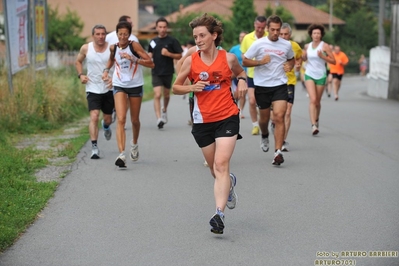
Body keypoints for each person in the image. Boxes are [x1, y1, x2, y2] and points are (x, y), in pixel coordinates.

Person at [172, 13, 247, 234]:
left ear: (214, 35)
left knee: (221, 164)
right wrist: (190, 88)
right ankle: (229, 185)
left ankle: (218, 214)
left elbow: (241, 73)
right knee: (216, 169)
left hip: (227, 116)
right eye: (195, 36)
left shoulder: (228, 59)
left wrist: (242, 81)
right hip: (202, 120)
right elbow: (176, 87)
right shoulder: (191, 61)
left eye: (202, 35)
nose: (198, 40)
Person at [242, 15, 295, 166]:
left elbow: (291, 59)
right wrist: (260, 62)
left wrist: (290, 66)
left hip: (279, 84)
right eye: (272, 30)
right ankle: (264, 134)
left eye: (278, 30)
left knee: (279, 116)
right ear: (267, 29)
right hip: (262, 86)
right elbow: (245, 60)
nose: (276, 33)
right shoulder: (259, 44)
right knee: (264, 120)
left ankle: (277, 152)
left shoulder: (286, 45)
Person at [102, 21, 154, 168]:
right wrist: (106, 70)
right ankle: (121, 154)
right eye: (120, 34)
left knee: (135, 120)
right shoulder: (113, 47)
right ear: (116, 34)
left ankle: (134, 144)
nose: (123, 37)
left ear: (129, 34)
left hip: (135, 85)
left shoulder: (134, 46)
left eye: (125, 34)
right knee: (121, 118)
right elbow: (111, 60)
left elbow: (151, 63)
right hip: (119, 84)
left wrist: (134, 59)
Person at [75, 24, 114, 159]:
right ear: (93, 36)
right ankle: (94, 147)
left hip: (108, 88)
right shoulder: (86, 48)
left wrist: (113, 79)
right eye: (98, 34)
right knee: (94, 116)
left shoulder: (111, 48)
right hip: (92, 87)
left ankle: (106, 126)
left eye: (103, 34)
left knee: (108, 119)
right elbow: (78, 62)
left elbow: (119, 65)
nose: (101, 36)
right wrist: (81, 75)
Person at [148, 17, 183, 129]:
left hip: (167, 71)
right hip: (156, 71)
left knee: (166, 94)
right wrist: (147, 59)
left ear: (166, 28)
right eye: (160, 27)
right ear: (157, 28)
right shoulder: (153, 42)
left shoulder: (172, 41)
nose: (162, 29)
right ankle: (159, 118)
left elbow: (179, 55)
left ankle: (164, 110)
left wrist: (169, 54)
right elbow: (149, 54)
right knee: (157, 94)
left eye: (164, 27)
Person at [302, 24, 335, 135]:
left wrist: (323, 57)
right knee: (313, 99)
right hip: (309, 74)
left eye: (318, 33)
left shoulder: (325, 46)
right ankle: (313, 125)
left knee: (317, 101)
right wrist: (303, 56)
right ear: (311, 35)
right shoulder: (307, 46)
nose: (316, 35)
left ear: (321, 35)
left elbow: (333, 61)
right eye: (314, 33)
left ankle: (316, 119)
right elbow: (304, 58)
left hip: (321, 75)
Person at [106, 15, 139, 123]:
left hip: (129, 74)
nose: (132, 24)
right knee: (112, 95)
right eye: (130, 23)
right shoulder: (109, 38)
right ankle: (116, 113)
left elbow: (139, 57)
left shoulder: (134, 40)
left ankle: (120, 114)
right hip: (114, 70)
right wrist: (106, 71)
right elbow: (108, 55)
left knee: (125, 96)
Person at [240, 16, 268, 135]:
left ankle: (268, 122)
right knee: (252, 101)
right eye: (258, 27)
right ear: (254, 25)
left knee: (267, 102)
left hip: (267, 74)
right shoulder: (247, 38)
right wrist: (252, 61)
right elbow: (243, 55)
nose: (260, 30)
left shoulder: (269, 37)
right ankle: (255, 125)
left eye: (262, 28)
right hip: (252, 74)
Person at [278, 22, 302, 152]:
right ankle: (275, 126)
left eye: (285, 34)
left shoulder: (295, 46)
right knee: (276, 115)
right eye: (281, 34)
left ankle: (282, 141)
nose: (283, 36)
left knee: (287, 111)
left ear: (290, 34)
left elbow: (299, 58)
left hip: (289, 81)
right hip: (274, 82)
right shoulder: (272, 46)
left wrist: (297, 66)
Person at [229, 31, 247, 119]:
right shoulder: (234, 49)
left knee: (242, 93)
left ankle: (241, 110)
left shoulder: (250, 48)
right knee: (235, 94)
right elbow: (227, 59)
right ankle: (234, 107)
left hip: (245, 74)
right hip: (234, 74)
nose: (242, 38)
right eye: (240, 37)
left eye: (244, 37)